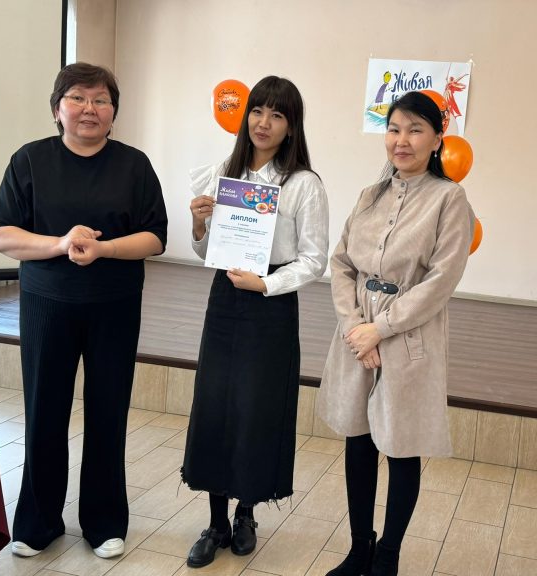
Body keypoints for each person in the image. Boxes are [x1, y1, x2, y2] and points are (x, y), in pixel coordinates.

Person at [0, 62, 168, 560]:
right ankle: (37, 523)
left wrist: (104, 249)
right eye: (78, 98)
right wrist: (60, 243)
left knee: (109, 412)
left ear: (113, 112)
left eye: (101, 100)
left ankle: (104, 522)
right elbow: (0, 235)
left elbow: (155, 237)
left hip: (115, 306)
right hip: (47, 305)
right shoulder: (29, 160)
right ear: (57, 109)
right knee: (43, 410)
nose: (90, 108)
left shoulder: (134, 165)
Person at [318, 91, 474, 576]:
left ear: (437, 140)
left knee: (402, 446)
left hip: (409, 336)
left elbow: (441, 280)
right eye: (393, 129)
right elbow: (341, 263)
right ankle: (359, 549)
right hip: (356, 332)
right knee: (358, 440)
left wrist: (379, 330)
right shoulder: (370, 195)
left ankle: (388, 556)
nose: (401, 140)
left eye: (414, 130)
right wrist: (354, 327)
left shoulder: (449, 199)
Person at [182, 75, 329, 568]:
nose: (264, 123)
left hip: (270, 302)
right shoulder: (224, 173)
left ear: (291, 126)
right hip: (225, 296)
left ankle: (246, 513)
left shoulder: (303, 184)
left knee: (256, 408)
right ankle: (216, 521)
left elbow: (314, 260)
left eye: (277, 115)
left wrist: (266, 284)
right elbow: (207, 250)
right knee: (216, 403)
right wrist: (199, 223)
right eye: (257, 111)